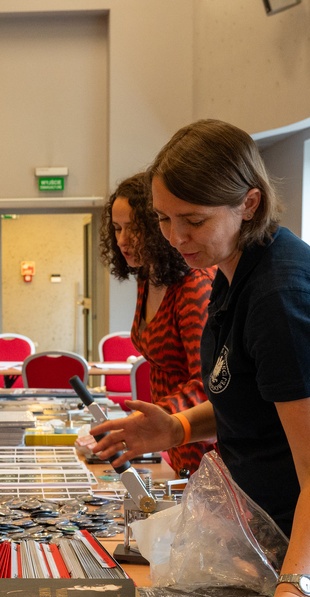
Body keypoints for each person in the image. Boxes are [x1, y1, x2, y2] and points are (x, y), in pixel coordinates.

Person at [90, 119, 310, 597]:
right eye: (165, 219)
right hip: (279, 527)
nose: (174, 237)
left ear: (250, 203)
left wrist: (296, 587)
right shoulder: (233, 269)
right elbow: (255, 396)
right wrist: (175, 428)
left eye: (192, 220)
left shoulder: (283, 297)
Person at [99, 173, 216, 477]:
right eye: (117, 228)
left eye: (134, 229)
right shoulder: (147, 277)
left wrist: (149, 419)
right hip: (173, 441)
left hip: (204, 442)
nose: (122, 240)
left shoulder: (193, 287)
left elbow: (208, 385)